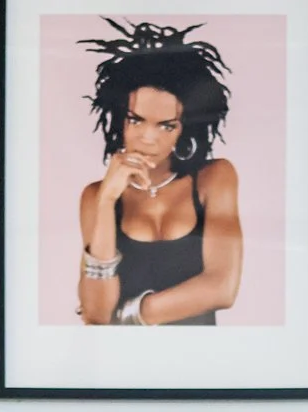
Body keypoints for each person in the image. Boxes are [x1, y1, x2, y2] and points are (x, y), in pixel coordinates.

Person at [75, 21, 243, 326]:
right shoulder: (94, 196)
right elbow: (96, 314)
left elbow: (222, 288)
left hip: (201, 364)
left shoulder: (214, 178)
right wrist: (106, 200)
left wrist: (131, 315)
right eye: (136, 120)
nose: (147, 138)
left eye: (166, 125)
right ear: (119, 120)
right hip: (123, 367)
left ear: (185, 129)